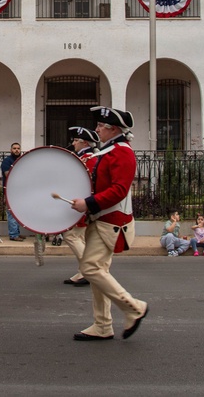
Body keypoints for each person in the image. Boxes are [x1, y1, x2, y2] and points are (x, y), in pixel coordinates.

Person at [69, 105, 148, 341]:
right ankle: (103, 325)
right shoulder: (109, 150)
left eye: (100, 126)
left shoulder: (122, 152)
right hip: (101, 218)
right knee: (97, 270)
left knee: (90, 269)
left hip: (112, 221)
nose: (96, 130)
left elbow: (119, 191)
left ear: (112, 129)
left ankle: (133, 307)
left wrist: (89, 203)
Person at [63, 126, 98, 285]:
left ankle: (88, 270)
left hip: (83, 206)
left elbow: (87, 185)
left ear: (84, 143)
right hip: (81, 205)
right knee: (80, 239)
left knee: (71, 236)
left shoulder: (90, 159)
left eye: (76, 140)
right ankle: (83, 271)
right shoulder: (83, 158)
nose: (73, 143)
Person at [0, 142, 23, 241]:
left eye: (18, 148)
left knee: (17, 212)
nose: (16, 150)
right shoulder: (7, 161)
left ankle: (17, 233)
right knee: (11, 212)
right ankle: (13, 235)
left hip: (20, 190)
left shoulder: (21, 161)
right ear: (11, 150)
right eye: (14, 148)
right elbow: (8, 175)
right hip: (10, 190)